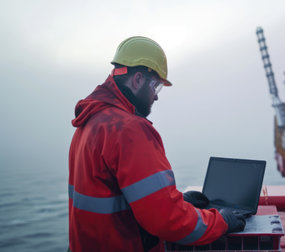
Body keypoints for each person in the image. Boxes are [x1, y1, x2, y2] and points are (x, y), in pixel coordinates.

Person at [68, 36, 246, 252]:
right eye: (156, 86)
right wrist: (222, 222)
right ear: (137, 80)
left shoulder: (88, 123)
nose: (156, 97)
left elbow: (115, 196)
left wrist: (181, 201)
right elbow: (167, 220)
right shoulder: (128, 129)